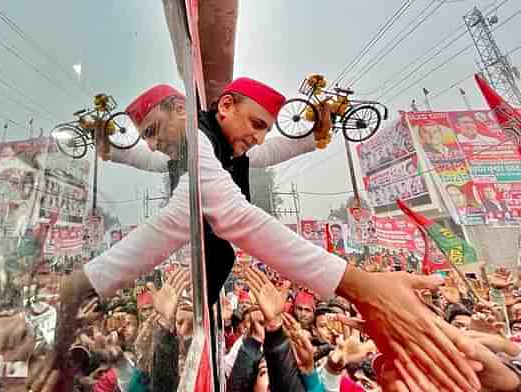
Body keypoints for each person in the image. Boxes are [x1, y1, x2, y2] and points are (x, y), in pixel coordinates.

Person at [41, 81, 481, 392]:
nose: (257, 138)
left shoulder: (216, 144)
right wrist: (365, 286)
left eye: (264, 128)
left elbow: (272, 157)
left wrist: (321, 131)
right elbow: (225, 212)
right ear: (224, 106)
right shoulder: (196, 145)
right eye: (254, 124)